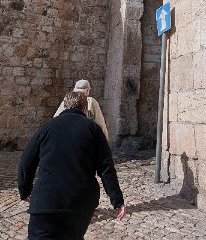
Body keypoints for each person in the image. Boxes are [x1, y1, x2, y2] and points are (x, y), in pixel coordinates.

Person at [18, 91, 126, 240]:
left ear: (65, 106)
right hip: (80, 203)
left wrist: (24, 190)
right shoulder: (93, 129)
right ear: (84, 108)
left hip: (46, 200)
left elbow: (26, 162)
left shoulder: (47, 127)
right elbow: (106, 168)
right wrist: (117, 200)